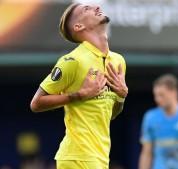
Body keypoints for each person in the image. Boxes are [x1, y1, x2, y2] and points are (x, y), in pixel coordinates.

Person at [30, 3, 128, 169]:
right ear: (78, 26)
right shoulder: (72, 61)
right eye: (86, 9)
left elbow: (112, 114)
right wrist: (79, 95)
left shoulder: (118, 61)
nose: (96, 7)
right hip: (77, 157)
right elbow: (36, 103)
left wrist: (121, 96)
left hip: (101, 157)